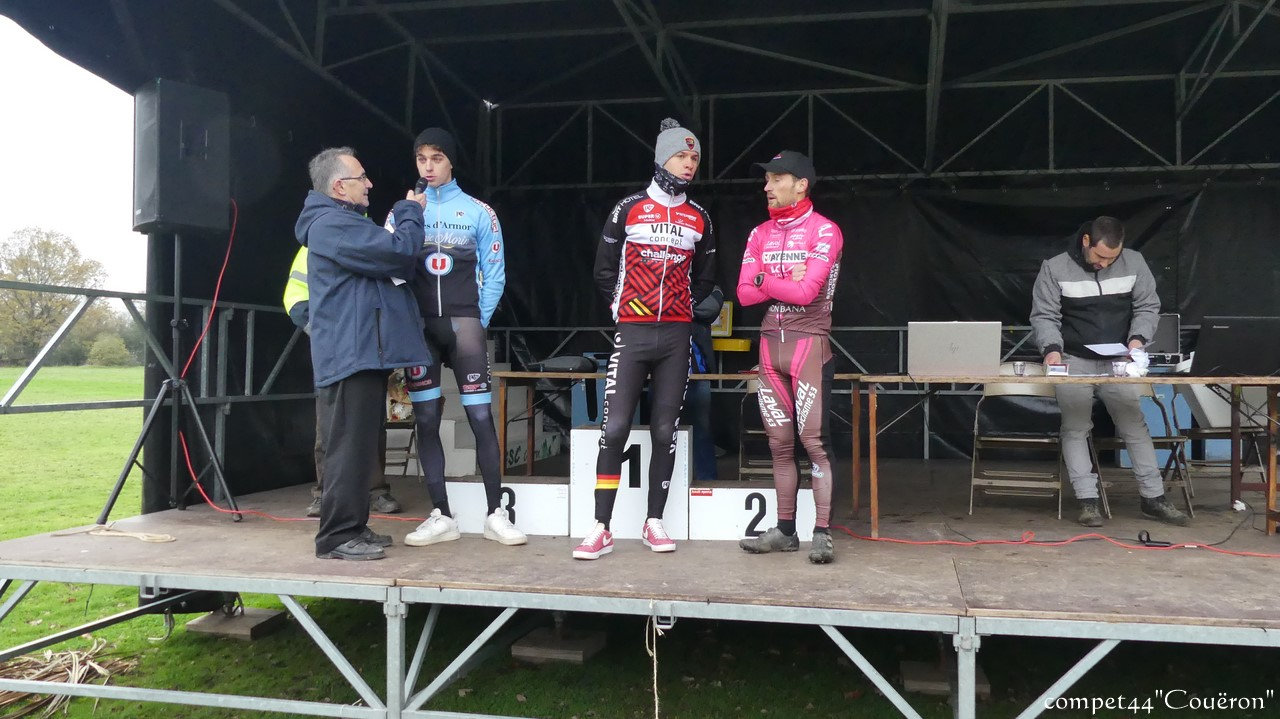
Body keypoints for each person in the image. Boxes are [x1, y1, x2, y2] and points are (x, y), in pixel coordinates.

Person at [573, 117, 717, 560]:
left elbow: (706, 277)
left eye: (694, 157)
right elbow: (603, 271)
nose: (689, 164)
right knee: (615, 428)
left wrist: (686, 308)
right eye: (681, 156)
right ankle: (601, 527)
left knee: (664, 430)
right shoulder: (629, 209)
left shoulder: (699, 217)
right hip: (633, 334)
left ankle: (654, 521)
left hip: (676, 336)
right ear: (661, 158)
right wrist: (623, 307)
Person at [391, 128, 527, 547]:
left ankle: (495, 514)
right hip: (420, 329)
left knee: (481, 417)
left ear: (451, 161)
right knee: (426, 420)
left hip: (464, 324)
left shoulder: (479, 211)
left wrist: (475, 320)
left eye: (436, 158)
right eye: (421, 159)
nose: (428, 167)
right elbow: (390, 266)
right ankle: (441, 516)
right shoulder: (402, 211)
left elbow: (495, 273)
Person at [296, 146, 432, 561]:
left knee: (358, 448)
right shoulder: (332, 224)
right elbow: (399, 253)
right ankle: (337, 536)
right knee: (347, 449)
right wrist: (409, 212)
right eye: (362, 177)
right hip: (350, 353)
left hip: (361, 351)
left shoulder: (343, 223)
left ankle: (353, 526)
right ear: (340, 186)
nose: (369, 184)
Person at [1030, 216, 1190, 528]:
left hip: (1119, 358)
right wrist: (1051, 349)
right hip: (1073, 359)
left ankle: (1154, 498)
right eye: (1100, 256)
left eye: (1113, 258)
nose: (1105, 263)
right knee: (1075, 427)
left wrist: (1137, 342)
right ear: (1086, 241)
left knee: (1134, 424)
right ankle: (1088, 501)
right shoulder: (1054, 267)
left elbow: (1147, 307)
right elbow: (1044, 315)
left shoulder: (1135, 262)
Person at [735, 151, 844, 564]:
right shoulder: (759, 233)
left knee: (813, 442)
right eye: (766, 180)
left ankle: (823, 533)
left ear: (801, 185)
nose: (767, 186)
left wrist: (764, 278)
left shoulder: (825, 230)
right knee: (779, 445)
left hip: (809, 345)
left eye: (776, 179)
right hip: (769, 346)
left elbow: (806, 293)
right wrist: (778, 279)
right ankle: (784, 531)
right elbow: (744, 294)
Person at [281, 246, 403, 518]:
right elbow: (295, 298)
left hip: (369, 348)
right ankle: (325, 494)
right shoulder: (314, 243)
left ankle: (375, 492)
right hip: (333, 351)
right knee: (328, 424)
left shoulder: (372, 241)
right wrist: (326, 333)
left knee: (371, 423)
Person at [688, 286, 724, 482]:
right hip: (661, 372)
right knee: (662, 428)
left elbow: (711, 307)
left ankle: (707, 480)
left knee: (702, 428)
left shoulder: (707, 284)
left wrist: (671, 304)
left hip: (697, 373)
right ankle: (668, 478)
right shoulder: (659, 279)